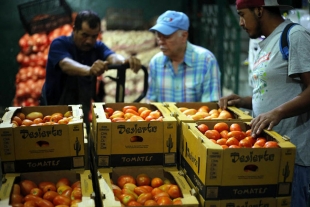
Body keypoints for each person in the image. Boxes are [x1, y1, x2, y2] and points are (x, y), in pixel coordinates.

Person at [218, 0, 310, 206]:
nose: (240, 22)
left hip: (293, 156)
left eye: (242, 14)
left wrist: (277, 113)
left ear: (259, 10)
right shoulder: (266, 42)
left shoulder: (294, 36)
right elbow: (273, 94)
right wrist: (243, 101)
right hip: (267, 151)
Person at [40, 10, 141, 132]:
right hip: (54, 112)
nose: (89, 41)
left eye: (94, 36)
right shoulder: (60, 44)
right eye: (84, 35)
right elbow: (65, 64)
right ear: (75, 29)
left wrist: (125, 61)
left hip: (81, 111)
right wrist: (89, 70)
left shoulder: (96, 47)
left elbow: (112, 56)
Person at [146, 10, 221, 102]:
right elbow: (151, 101)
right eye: (158, 35)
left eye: (166, 36)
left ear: (184, 36)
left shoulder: (206, 60)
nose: (161, 41)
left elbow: (211, 105)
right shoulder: (156, 62)